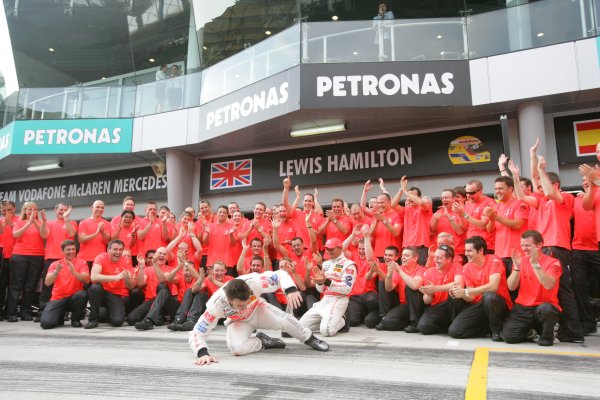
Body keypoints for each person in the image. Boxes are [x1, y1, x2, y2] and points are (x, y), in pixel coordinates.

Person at [188, 270, 329, 365]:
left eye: (246, 301)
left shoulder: (254, 281)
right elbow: (198, 332)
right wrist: (202, 352)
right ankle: (262, 341)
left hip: (258, 309)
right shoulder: (216, 304)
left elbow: (280, 274)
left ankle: (310, 338)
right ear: (229, 300)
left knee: (284, 319)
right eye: (239, 305)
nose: (244, 306)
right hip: (238, 321)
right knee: (236, 349)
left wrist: (290, 289)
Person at [500, 231, 562, 346]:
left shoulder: (553, 262)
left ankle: (548, 335)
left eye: (527, 245)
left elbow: (549, 285)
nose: (524, 249)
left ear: (539, 245)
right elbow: (511, 287)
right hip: (523, 307)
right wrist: (517, 267)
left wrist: (535, 264)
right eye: (522, 245)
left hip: (543, 307)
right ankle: (532, 333)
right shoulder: (521, 261)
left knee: (546, 310)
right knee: (508, 337)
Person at [448, 236, 512, 341]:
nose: (466, 254)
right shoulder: (466, 267)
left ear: (481, 250)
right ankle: (486, 329)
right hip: (480, 305)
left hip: (499, 304)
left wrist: (466, 291)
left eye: (469, 251)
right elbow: (472, 297)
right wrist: (462, 294)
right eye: (465, 251)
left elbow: (493, 286)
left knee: (489, 296)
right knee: (455, 331)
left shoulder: (494, 260)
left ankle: (497, 330)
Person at [299, 238, 357, 336]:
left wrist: (326, 281)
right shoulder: (325, 264)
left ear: (340, 248)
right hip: (325, 300)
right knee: (299, 326)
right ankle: (327, 321)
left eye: (331, 249)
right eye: (327, 249)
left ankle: (342, 319)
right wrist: (320, 283)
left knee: (326, 331)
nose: (329, 251)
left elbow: (347, 289)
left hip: (339, 299)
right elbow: (320, 290)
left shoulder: (349, 265)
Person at [6, 202, 48, 322]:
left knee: (30, 286)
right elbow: (15, 234)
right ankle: (12, 313)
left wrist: (38, 221)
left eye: (34, 209)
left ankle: (26, 312)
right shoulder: (19, 222)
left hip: (37, 256)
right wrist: (28, 222)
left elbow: (44, 235)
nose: (32, 211)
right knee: (16, 285)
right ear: (24, 211)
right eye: (29, 209)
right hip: (20, 255)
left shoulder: (40, 223)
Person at [37, 203, 77, 322]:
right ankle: (43, 312)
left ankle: (62, 313)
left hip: (66, 260)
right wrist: (44, 221)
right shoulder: (49, 223)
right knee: (47, 286)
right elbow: (43, 234)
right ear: (55, 210)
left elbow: (71, 234)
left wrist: (66, 219)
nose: (63, 212)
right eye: (61, 210)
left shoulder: (72, 222)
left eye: (65, 210)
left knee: (65, 286)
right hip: (51, 258)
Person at [571, 175, 600, 334]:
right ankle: (587, 323)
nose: (584, 183)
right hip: (579, 249)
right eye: (582, 181)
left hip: (597, 248)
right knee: (579, 287)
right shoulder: (576, 199)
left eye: (588, 180)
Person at [40, 240, 90, 329]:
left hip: (73, 299)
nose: (71, 252)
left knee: (82, 294)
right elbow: (47, 282)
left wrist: (74, 272)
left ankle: (75, 319)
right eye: (68, 250)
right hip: (58, 298)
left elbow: (86, 280)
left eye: (73, 249)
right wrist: (56, 272)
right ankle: (60, 316)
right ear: (62, 252)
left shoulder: (82, 263)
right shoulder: (55, 264)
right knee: (46, 324)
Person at [86, 240, 135, 329]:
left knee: (117, 322)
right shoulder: (101, 257)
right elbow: (93, 277)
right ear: (108, 250)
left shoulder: (125, 261)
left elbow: (130, 286)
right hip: (101, 291)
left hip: (115, 293)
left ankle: (104, 313)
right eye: (115, 249)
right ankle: (93, 319)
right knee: (95, 287)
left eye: (120, 250)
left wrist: (127, 278)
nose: (118, 252)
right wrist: (115, 277)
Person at [417, 244, 463, 335]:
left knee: (456, 293)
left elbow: (459, 283)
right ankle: (446, 327)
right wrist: (429, 293)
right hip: (436, 307)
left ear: (449, 259)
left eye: (439, 258)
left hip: (451, 304)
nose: (436, 261)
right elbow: (426, 301)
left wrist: (436, 288)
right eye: (435, 257)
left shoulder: (456, 267)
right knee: (423, 327)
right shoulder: (429, 272)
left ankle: (454, 324)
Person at [377, 246, 425, 332]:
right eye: (402, 255)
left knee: (410, 287)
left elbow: (415, 285)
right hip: (405, 305)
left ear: (415, 258)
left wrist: (399, 271)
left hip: (418, 306)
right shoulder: (399, 269)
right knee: (388, 321)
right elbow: (388, 288)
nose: (403, 257)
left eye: (406, 255)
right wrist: (389, 274)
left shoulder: (421, 269)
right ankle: (386, 318)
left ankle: (414, 321)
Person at [77, 200, 111, 270]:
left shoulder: (107, 224)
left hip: (100, 259)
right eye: (98, 207)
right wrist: (96, 234)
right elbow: (81, 239)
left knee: (98, 281)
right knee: (85, 281)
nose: (100, 209)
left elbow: (107, 241)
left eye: (102, 208)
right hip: (84, 258)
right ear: (92, 208)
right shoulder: (83, 223)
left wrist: (102, 233)